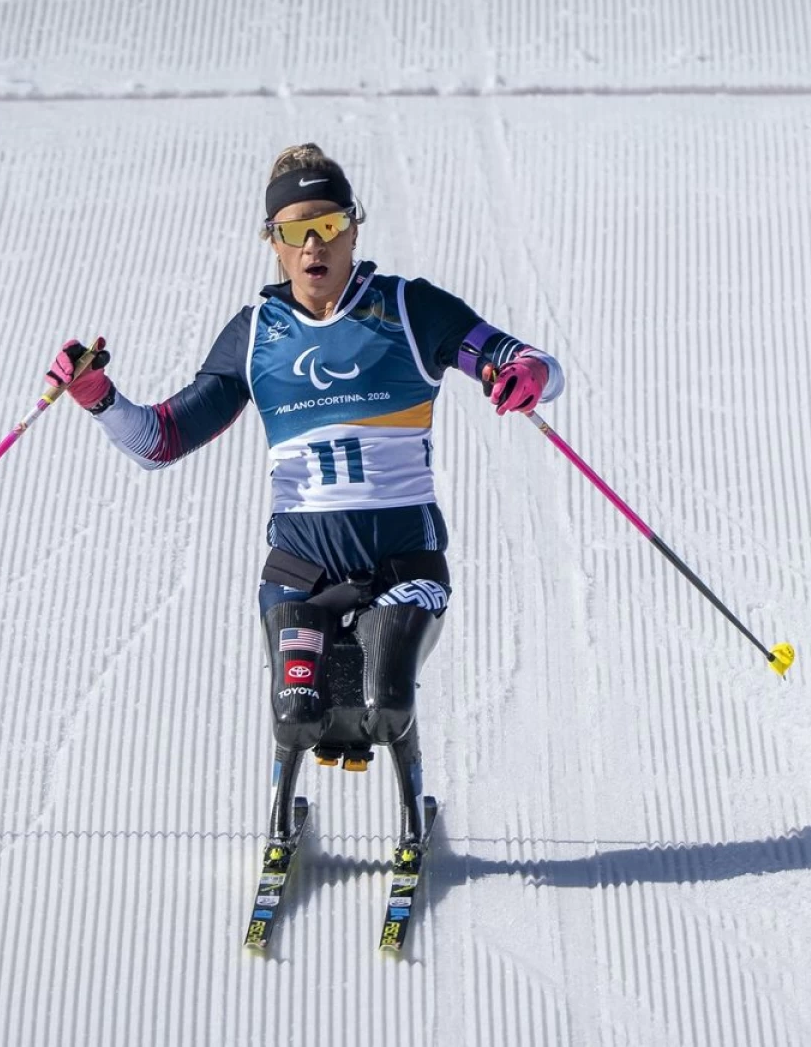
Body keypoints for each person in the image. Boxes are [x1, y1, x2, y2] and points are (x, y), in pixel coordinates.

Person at [44, 143, 564, 853]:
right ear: (274, 245)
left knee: (387, 708)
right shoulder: (256, 335)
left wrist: (527, 371)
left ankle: (413, 812)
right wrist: (97, 396)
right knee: (297, 715)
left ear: (354, 228)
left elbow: (525, 361)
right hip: (300, 573)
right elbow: (161, 441)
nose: (313, 244)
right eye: (294, 231)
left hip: (404, 569)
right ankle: (284, 822)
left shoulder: (409, 310)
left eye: (327, 225)